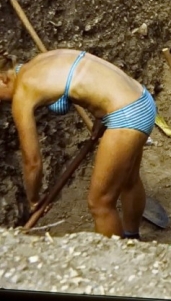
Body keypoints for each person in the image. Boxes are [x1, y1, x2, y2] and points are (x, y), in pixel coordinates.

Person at [0, 49, 158, 239]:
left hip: (127, 116)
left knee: (99, 203)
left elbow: (32, 162)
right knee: (129, 180)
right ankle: (133, 238)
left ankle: (117, 255)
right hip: (141, 99)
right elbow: (91, 80)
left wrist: (34, 199)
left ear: (3, 79)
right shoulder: (39, 61)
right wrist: (101, 117)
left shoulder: (23, 91)